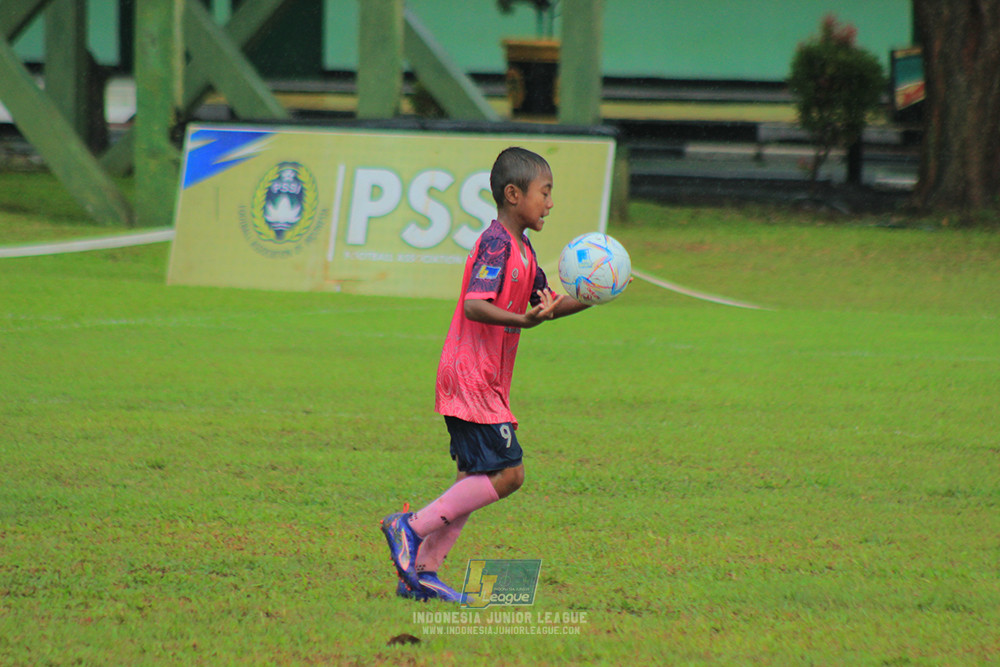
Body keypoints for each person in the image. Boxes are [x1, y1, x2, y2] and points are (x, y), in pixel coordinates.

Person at [380, 146, 590, 602]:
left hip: (486, 380)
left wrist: (594, 294)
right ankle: (408, 527)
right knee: (509, 474)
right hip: (469, 376)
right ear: (514, 194)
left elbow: (545, 307)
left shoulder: (525, 250)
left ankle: (420, 573)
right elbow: (476, 305)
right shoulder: (495, 242)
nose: (550, 203)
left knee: (472, 482)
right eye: (545, 192)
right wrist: (522, 322)